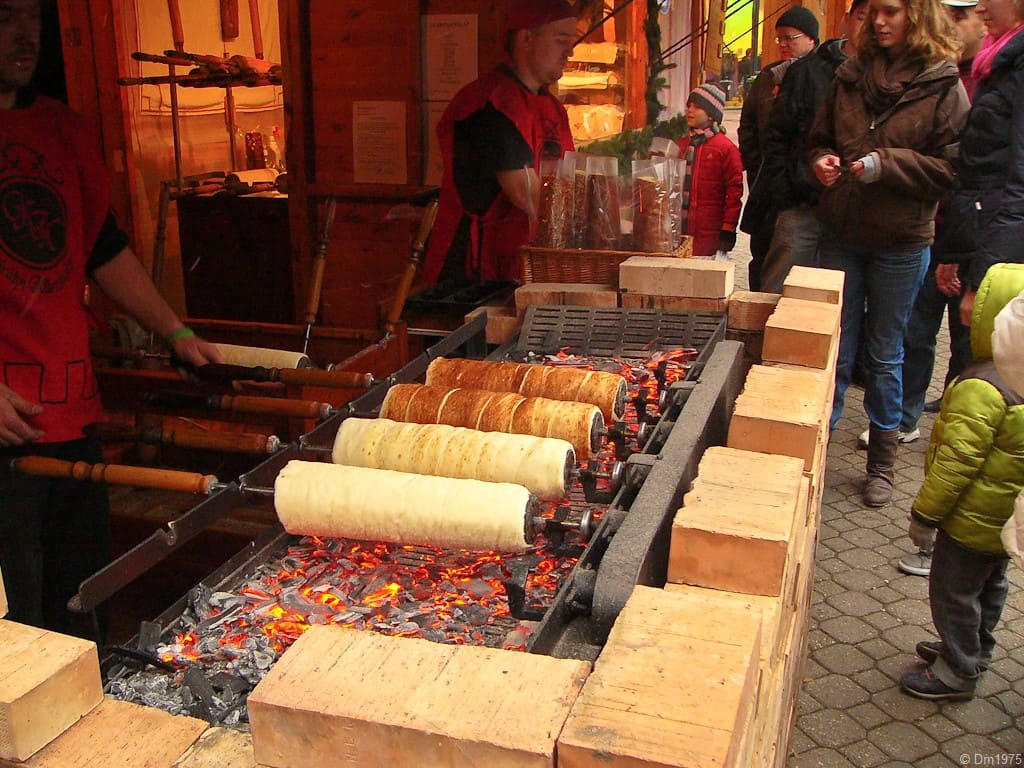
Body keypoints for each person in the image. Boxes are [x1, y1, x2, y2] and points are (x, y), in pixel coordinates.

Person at [0, 0, 223, 639]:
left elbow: (103, 250)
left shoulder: (64, 131)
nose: (24, 36)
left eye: (32, 20)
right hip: (4, 428)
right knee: (20, 624)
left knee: (82, 599)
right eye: (4, 17)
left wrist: (175, 332)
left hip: (70, 411)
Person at [808, 0, 970, 507]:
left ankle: (882, 462)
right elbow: (816, 139)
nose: (879, 21)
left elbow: (954, 170)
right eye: (875, 11)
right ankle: (815, 449)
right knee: (834, 348)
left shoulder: (944, 85)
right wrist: (821, 161)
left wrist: (886, 165)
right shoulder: (850, 75)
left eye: (892, 12)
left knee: (884, 355)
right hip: (843, 229)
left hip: (902, 240)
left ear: (918, 17)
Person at [885, 0, 987, 578]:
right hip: (935, 231)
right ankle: (907, 415)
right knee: (915, 332)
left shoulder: (974, 85)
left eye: (964, 15)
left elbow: (973, 177)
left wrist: (961, 258)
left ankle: (949, 435)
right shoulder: (951, 77)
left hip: (966, 242)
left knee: (969, 358)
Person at [899, 263, 1024, 702]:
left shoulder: (984, 387)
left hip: (967, 523)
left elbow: (956, 463)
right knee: (991, 585)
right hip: (1003, 523)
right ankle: (976, 649)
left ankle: (956, 670)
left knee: (953, 592)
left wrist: (925, 515)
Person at [422, 0, 577, 285]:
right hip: (473, 274)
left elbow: (568, 181)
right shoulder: (491, 103)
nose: (570, 52)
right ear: (526, 38)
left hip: (523, 264)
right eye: (561, 40)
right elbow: (528, 195)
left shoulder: (553, 108)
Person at [755, 0, 870, 294]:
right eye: (865, 15)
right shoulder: (808, 71)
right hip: (802, 204)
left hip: (859, 212)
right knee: (778, 293)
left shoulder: (891, 76)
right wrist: (788, 189)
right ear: (848, 19)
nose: (875, 24)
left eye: (889, 14)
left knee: (832, 303)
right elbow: (775, 137)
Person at [937, 0, 1024, 329]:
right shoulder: (999, 60)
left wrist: (981, 284)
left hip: (1000, 259)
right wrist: (955, 254)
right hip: (975, 239)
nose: (982, 6)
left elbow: (1016, 183)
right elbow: (976, 175)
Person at [738, 6, 819, 290]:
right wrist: (754, 163)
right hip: (764, 181)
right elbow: (747, 124)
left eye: (790, 38)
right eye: (779, 39)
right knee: (760, 252)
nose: (783, 45)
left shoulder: (819, 76)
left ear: (810, 39)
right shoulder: (768, 76)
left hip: (797, 186)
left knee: (790, 259)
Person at [673, 84, 743, 258]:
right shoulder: (680, 146)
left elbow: (734, 193)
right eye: (689, 106)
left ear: (711, 114)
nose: (690, 110)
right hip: (679, 231)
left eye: (697, 107)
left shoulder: (725, 149)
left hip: (708, 233)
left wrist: (728, 228)